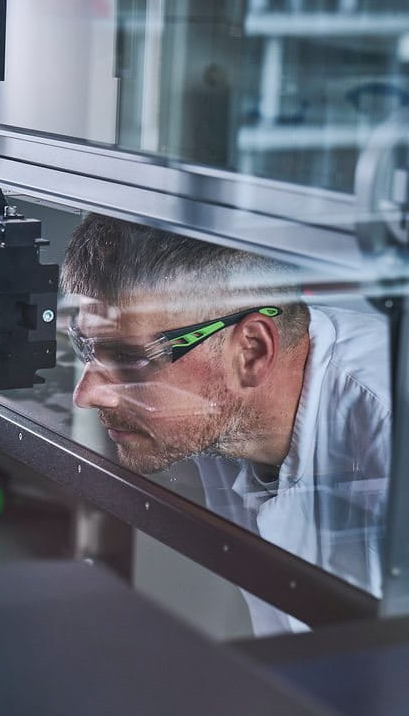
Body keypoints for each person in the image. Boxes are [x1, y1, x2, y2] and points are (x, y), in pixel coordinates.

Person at [62, 213, 391, 635]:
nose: (87, 394)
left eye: (129, 359)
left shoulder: (387, 423)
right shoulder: (223, 411)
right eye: (84, 347)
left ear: (251, 352)